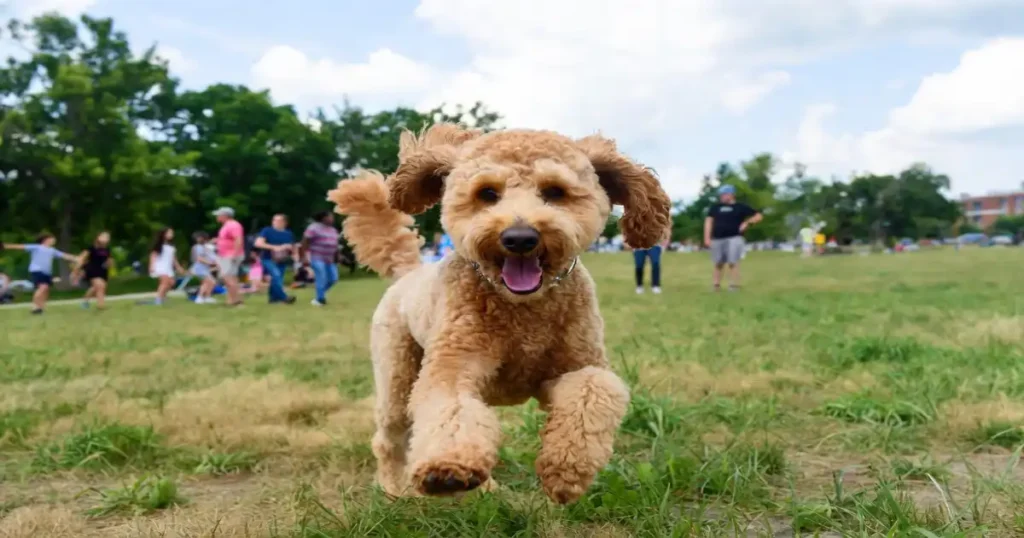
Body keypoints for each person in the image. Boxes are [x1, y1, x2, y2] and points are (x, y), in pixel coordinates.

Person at [1, 234, 79, 314]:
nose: (54, 240)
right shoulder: (37, 247)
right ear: (45, 240)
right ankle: (34, 307)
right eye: (52, 239)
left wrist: (76, 258)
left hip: (47, 272)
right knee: (42, 287)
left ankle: (41, 308)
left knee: (46, 289)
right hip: (37, 270)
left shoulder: (52, 250)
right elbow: (20, 246)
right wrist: (4, 246)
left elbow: (64, 255)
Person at [704, 185, 762, 292]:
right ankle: (716, 285)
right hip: (717, 238)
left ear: (731, 195)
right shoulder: (715, 208)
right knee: (718, 263)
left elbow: (758, 216)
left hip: (734, 238)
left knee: (733, 262)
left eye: (724, 194)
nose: (722, 197)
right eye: (721, 195)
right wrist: (707, 237)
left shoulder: (740, 207)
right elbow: (708, 222)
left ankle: (734, 285)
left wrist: (747, 223)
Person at [254, 214, 297, 304]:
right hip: (268, 258)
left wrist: (290, 249)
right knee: (276, 275)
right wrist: (274, 247)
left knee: (277, 278)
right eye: (274, 220)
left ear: (284, 222)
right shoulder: (267, 231)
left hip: (282, 259)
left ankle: (273, 299)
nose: (275, 222)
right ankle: (284, 297)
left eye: (278, 220)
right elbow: (258, 243)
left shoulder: (288, 233)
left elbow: (293, 246)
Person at [302, 210, 340, 306]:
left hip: (330, 259)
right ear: (324, 218)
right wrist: (305, 256)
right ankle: (320, 299)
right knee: (321, 277)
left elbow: (335, 245)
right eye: (330, 216)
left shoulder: (333, 230)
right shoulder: (313, 227)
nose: (332, 219)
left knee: (333, 278)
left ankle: (320, 294)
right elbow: (305, 241)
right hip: (317, 257)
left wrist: (337, 256)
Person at [214, 207, 245, 307]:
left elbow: (238, 239)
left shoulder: (233, 225)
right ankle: (231, 300)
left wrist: (234, 254)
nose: (217, 217)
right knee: (231, 278)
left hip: (230, 255)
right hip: (225, 255)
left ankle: (237, 301)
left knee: (228, 278)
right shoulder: (226, 226)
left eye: (219, 215)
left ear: (225, 216)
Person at [149, 227, 185, 305]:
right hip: (160, 266)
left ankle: (163, 296)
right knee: (164, 282)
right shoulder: (159, 245)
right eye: (169, 233)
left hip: (168, 267)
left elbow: (173, 258)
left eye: (172, 233)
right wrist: (151, 266)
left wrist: (178, 267)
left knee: (172, 283)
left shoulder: (171, 245)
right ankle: (158, 299)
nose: (171, 235)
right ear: (164, 234)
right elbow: (153, 255)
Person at [78, 231, 113, 309]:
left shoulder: (107, 249)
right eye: (103, 236)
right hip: (92, 270)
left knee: (96, 287)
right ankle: (101, 305)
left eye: (107, 237)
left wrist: (109, 264)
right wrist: (78, 270)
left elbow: (109, 260)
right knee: (100, 286)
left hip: (103, 271)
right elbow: (82, 258)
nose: (105, 238)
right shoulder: (91, 247)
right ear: (98, 237)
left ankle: (85, 301)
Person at [189, 232, 218, 304]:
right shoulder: (198, 247)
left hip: (205, 269)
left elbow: (209, 252)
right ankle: (199, 297)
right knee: (206, 283)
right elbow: (199, 258)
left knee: (212, 282)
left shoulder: (203, 247)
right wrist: (210, 263)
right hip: (200, 269)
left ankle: (207, 297)